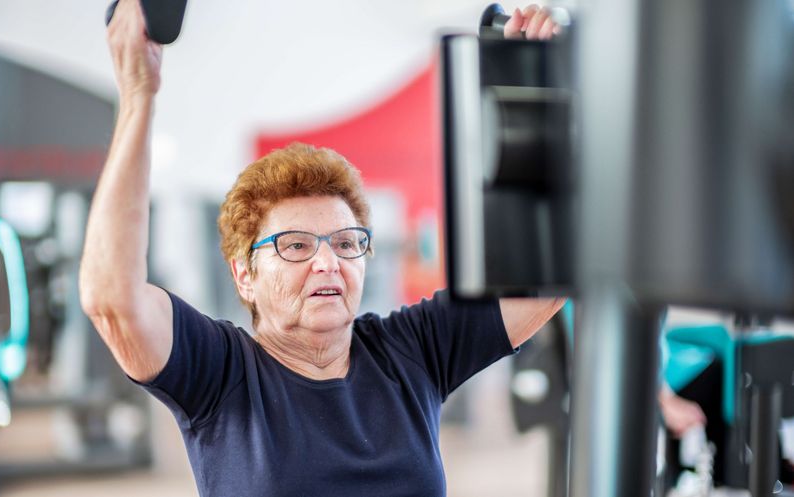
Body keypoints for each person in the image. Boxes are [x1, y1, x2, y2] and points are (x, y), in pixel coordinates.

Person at [79, 1, 564, 495]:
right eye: (295, 246)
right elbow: (112, 301)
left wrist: (543, 86)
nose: (328, 262)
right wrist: (138, 95)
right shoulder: (221, 373)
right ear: (244, 274)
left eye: (346, 242)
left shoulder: (411, 350)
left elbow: (551, 277)